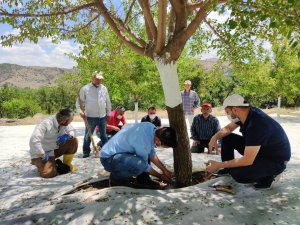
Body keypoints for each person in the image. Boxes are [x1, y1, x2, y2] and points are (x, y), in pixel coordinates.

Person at [206, 94, 291, 189]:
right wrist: (215, 137)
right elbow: (228, 129)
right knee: (227, 138)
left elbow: (247, 160)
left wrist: (218, 165)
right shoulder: (247, 112)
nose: (227, 115)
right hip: (263, 150)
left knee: (238, 174)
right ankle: (228, 169)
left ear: (234, 109)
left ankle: (268, 176)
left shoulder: (256, 125)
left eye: (227, 112)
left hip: (275, 161)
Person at [100, 122, 177, 188]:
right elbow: (144, 166)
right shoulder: (142, 141)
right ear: (159, 141)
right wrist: (160, 176)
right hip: (108, 159)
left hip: (118, 154)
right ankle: (116, 179)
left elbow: (151, 153)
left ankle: (143, 179)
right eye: (163, 146)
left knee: (144, 159)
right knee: (139, 166)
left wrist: (165, 170)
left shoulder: (150, 127)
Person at [29, 108, 78, 178]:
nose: (71, 121)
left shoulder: (63, 123)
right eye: (71, 120)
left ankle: (66, 163)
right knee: (49, 174)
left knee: (73, 140)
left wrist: (68, 135)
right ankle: (38, 162)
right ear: (63, 120)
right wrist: (42, 154)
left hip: (54, 149)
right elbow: (34, 140)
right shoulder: (45, 123)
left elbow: (72, 130)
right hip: (41, 153)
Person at [76, 71, 111, 158]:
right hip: (90, 117)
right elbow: (78, 103)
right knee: (88, 135)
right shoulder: (85, 88)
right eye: (97, 79)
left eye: (100, 79)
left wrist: (108, 113)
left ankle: (107, 150)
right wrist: (80, 112)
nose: (99, 81)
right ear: (93, 78)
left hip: (102, 116)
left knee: (103, 135)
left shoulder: (104, 88)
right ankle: (86, 152)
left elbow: (107, 101)